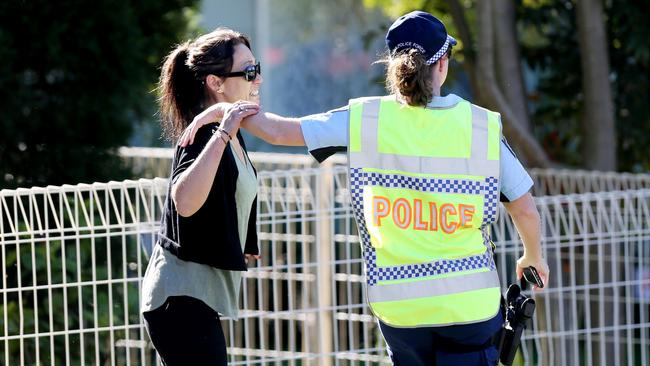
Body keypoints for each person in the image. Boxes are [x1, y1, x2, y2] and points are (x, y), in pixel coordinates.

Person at [182, 10, 550, 366]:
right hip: (470, 311)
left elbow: (279, 130)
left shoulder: (366, 120)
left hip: (401, 310)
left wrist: (224, 110)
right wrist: (531, 256)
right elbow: (524, 209)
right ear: (442, 64)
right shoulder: (480, 128)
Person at [140, 28, 263, 365]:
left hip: (195, 297)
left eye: (258, 69)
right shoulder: (206, 135)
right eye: (249, 72)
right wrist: (223, 129)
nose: (258, 80)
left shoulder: (227, 128)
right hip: (179, 298)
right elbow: (185, 201)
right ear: (215, 83)